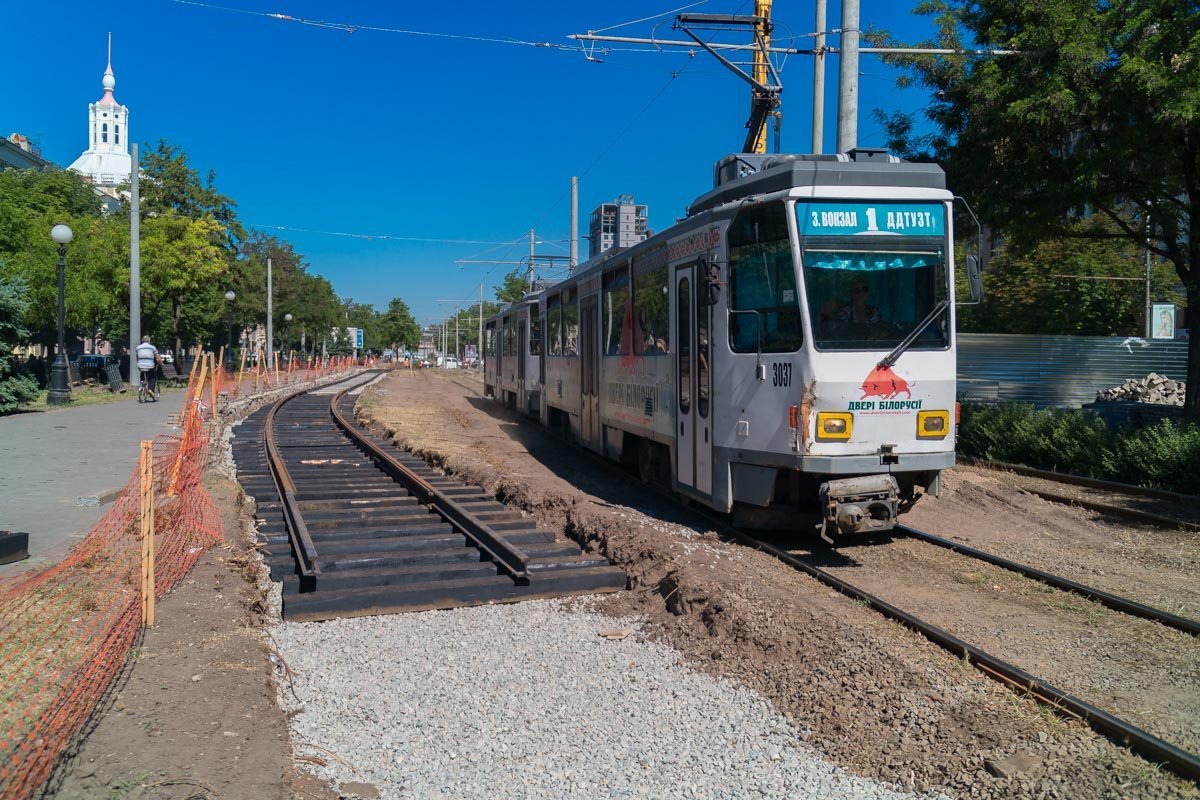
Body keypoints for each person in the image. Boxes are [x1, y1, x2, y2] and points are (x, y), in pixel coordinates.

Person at [135, 335, 161, 399]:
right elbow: (157, 357)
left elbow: (137, 357)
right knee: (153, 377)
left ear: (142, 340)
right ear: (149, 340)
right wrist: (161, 363)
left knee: (142, 374)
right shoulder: (152, 347)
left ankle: (142, 384)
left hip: (140, 366)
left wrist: (139, 362)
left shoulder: (138, 348)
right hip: (150, 366)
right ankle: (150, 389)